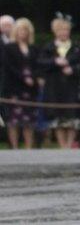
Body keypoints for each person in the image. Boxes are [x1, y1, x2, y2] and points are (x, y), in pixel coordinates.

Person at [36, 14, 80, 149]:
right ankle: (62, 144)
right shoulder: (49, 47)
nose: (64, 32)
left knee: (72, 117)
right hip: (54, 88)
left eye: (66, 30)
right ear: (55, 31)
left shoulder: (77, 46)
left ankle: (70, 144)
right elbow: (40, 63)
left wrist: (73, 69)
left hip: (72, 87)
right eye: (61, 30)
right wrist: (55, 62)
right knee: (58, 117)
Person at [2, 18, 39, 148]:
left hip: (30, 89)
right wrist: (24, 78)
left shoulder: (33, 48)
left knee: (29, 120)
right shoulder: (9, 48)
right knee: (14, 120)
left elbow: (37, 66)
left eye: (25, 30)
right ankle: (15, 147)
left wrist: (33, 79)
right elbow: (9, 68)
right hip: (14, 87)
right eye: (20, 30)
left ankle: (28, 147)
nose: (22, 33)